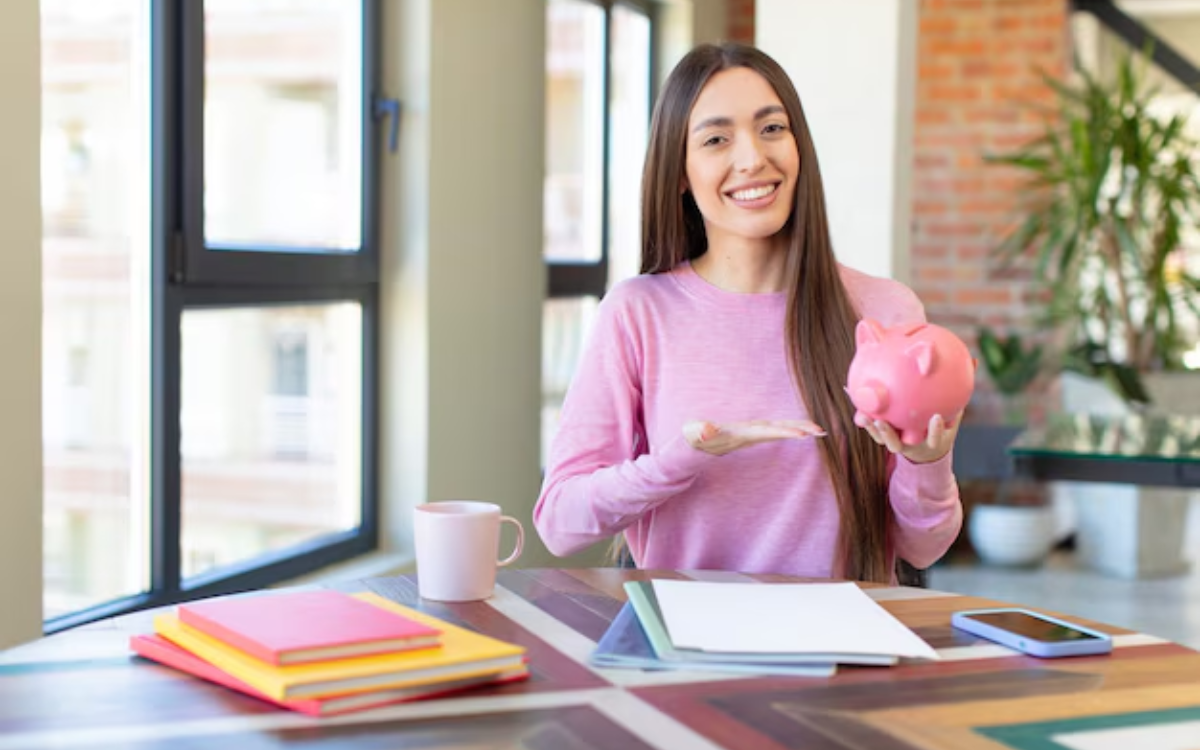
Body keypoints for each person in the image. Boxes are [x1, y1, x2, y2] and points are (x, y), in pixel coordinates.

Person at [533, 42, 962, 584]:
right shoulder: (638, 312)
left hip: (846, 644)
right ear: (681, 173)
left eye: (771, 129)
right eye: (716, 139)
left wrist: (928, 461)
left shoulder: (885, 310)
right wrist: (682, 458)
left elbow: (922, 548)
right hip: (688, 647)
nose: (752, 158)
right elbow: (560, 522)